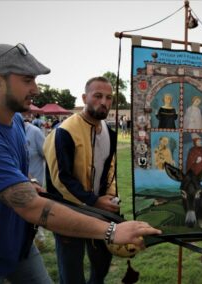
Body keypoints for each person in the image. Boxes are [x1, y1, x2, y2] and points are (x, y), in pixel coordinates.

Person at [0, 43, 161, 284]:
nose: (36, 89)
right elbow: (33, 207)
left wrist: (24, 182)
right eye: (27, 80)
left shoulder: (14, 120)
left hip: (20, 245)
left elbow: (12, 174)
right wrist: (112, 230)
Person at [43, 76, 126, 283]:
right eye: (98, 96)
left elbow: (111, 169)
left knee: (101, 263)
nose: (104, 102)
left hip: (99, 210)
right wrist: (93, 200)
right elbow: (61, 179)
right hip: (67, 211)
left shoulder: (109, 132)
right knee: (72, 272)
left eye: (109, 98)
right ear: (84, 97)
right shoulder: (64, 131)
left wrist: (109, 198)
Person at [25, 118, 47, 247]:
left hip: (36, 184)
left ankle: (39, 238)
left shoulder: (34, 132)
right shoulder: (5, 131)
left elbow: (47, 155)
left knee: (35, 212)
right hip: (15, 184)